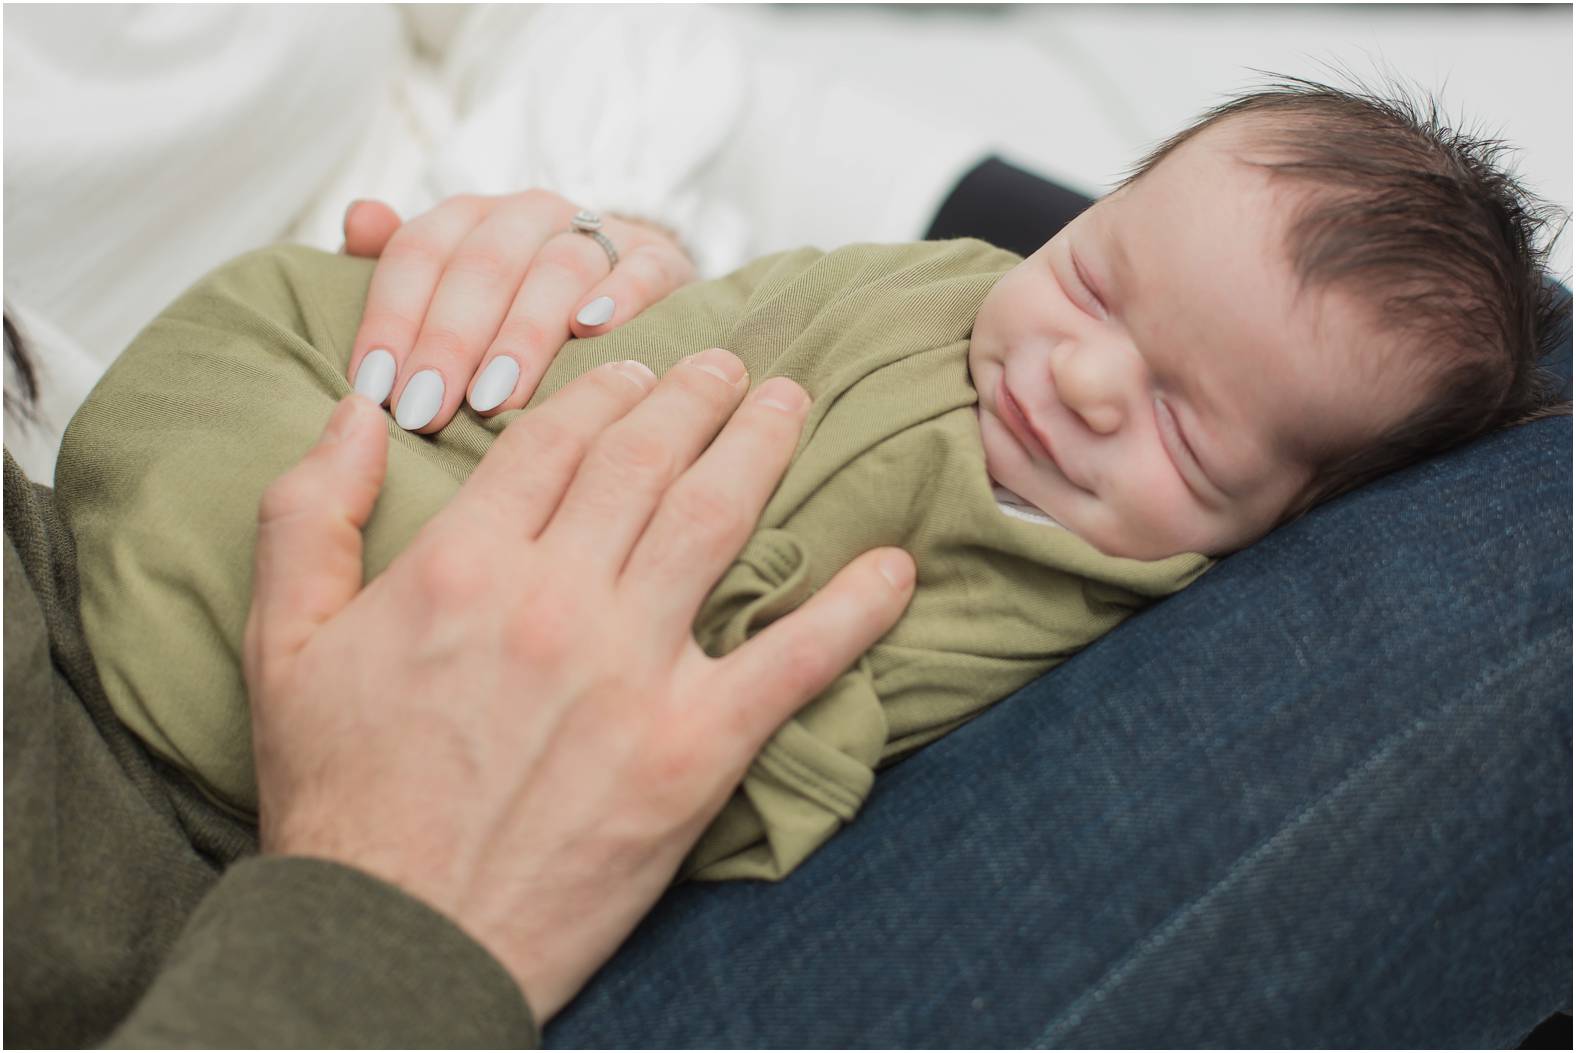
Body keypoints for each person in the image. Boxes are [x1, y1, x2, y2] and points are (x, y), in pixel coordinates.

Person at [7, 92, 1570, 1053]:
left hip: (551, 669)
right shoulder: (976, 302)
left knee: (1498, 355)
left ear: (1274, 535)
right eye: (1093, 275)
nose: (1087, 379)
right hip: (384, 856)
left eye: (1183, 420)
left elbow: (843, 721)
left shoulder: (1080, 573)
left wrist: (607, 245)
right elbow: (765, 323)